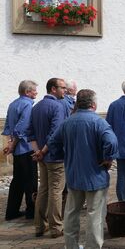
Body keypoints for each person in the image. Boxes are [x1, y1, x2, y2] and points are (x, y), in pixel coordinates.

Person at [46, 89, 118, 249]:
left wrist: (63, 156)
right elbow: (111, 141)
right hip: (95, 176)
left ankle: (71, 245)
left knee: (71, 213)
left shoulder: (67, 122)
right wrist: (108, 158)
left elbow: (52, 142)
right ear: (93, 104)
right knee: (95, 215)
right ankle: (92, 246)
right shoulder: (98, 122)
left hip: (74, 175)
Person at [29, 78, 67, 238]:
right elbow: (55, 133)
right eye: (62, 88)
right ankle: (56, 227)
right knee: (56, 191)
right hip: (54, 156)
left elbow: (30, 132)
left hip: (42, 156)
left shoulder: (36, 107)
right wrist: (43, 151)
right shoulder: (57, 106)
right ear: (53, 89)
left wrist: (37, 151)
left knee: (43, 189)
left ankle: (39, 226)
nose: (64, 90)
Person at [3, 80, 38, 221]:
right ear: (27, 92)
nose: (36, 92)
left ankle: (11, 211)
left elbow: (8, 126)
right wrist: (13, 144)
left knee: (17, 181)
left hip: (18, 150)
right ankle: (31, 212)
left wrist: (11, 143)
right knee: (31, 181)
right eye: (34, 90)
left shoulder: (13, 104)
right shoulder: (28, 105)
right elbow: (21, 128)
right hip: (26, 148)